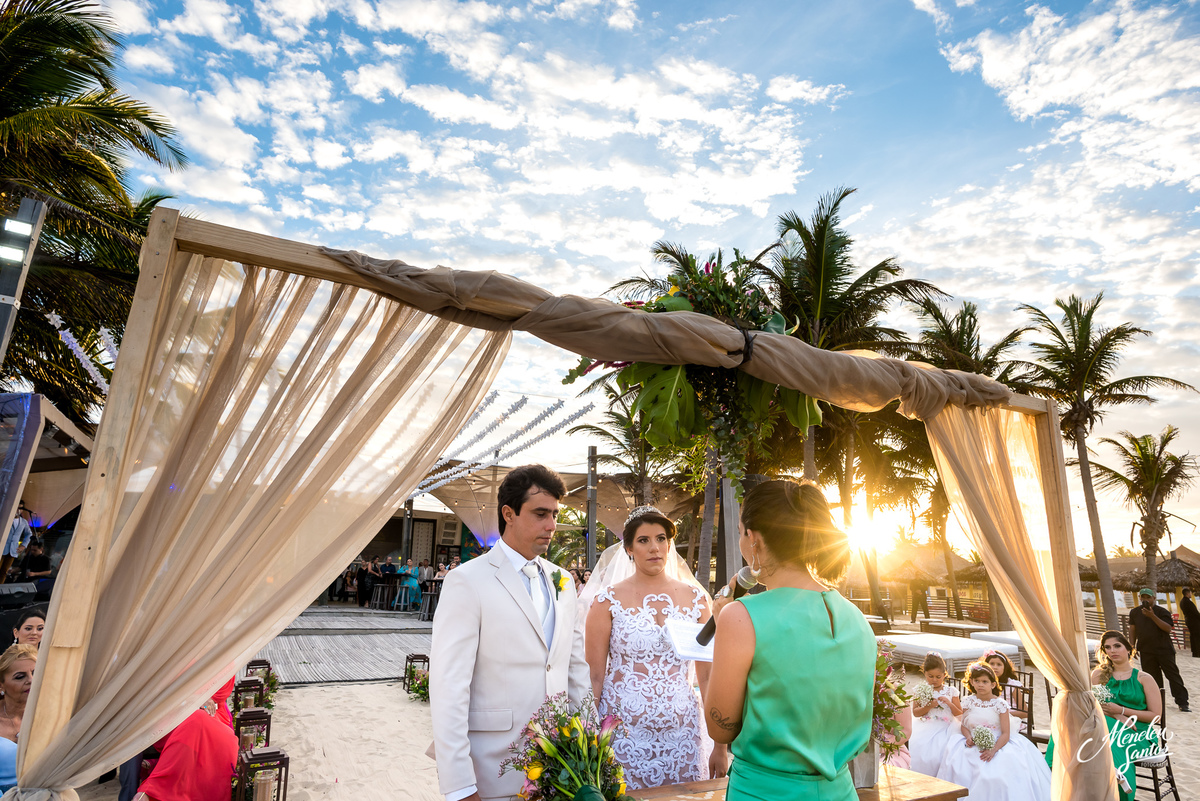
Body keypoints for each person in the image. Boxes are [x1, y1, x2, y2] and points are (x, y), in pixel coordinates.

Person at [704, 479, 874, 801]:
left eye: (741, 533)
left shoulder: (740, 617)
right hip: (839, 790)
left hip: (763, 792)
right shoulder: (856, 618)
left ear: (754, 539)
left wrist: (723, 620)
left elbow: (720, 728)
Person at [429, 464, 589, 801]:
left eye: (555, 514)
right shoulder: (467, 581)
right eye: (540, 514)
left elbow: (575, 670)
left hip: (562, 768)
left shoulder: (563, 582)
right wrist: (460, 786)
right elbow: (448, 687)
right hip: (493, 768)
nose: (551, 525)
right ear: (509, 514)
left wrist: (588, 752)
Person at [585, 506, 728, 789]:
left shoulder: (697, 599)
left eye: (661, 538)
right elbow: (594, 677)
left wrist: (720, 745)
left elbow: (708, 676)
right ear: (629, 548)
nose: (655, 548)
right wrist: (589, 738)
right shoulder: (606, 601)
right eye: (644, 540)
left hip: (683, 734)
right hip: (623, 734)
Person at [1045, 630, 1161, 800]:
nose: (1112, 650)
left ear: (1128, 649)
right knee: (1073, 723)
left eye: (1117, 646)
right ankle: (1052, 773)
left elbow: (1156, 716)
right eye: (1108, 647)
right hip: (1106, 724)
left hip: (1138, 732)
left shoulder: (1144, 678)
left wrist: (1121, 711)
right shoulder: (1098, 675)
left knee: (1106, 734)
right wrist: (1117, 716)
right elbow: (1092, 706)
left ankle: (1119, 790)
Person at [936, 662, 1050, 800]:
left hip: (998, 742)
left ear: (993, 684)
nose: (980, 685)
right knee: (956, 761)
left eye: (985, 681)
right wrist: (968, 737)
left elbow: (1006, 733)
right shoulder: (968, 701)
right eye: (977, 681)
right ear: (972, 682)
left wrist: (993, 750)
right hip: (973, 740)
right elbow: (964, 725)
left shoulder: (1000, 704)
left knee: (996, 772)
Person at [132, 698, 238, 801]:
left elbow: (220, 695)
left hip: (207, 713)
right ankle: (153, 788)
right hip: (175, 713)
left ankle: (152, 788)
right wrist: (195, 700)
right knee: (196, 721)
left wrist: (203, 699)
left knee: (203, 724)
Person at [1127, 588, 1189, 711]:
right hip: (1146, 650)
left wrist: (1152, 616)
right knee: (1152, 679)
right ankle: (1157, 702)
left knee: (1173, 676)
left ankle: (1182, 703)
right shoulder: (1134, 612)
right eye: (1143, 597)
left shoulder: (1162, 611)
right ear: (1140, 598)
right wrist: (1132, 646)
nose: (1146, 600)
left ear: (1154, 598)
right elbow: (1132, 629)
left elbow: (1167, 628)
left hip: (1164, 650)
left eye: (1148, 597)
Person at [908, 651, 961, 777]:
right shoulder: (919, 690)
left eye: (938, 676)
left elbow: (960, 714)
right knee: (921, 749)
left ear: (944, 674)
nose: (934, 680)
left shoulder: (951, 691)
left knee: (943, 751)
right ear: (925, 674)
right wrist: (929, 706)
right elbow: (915, 712)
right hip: (926, 725)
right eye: (930, 676)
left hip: (947, 727)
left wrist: (949, 703)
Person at [982, 650, 1027, 732]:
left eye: (999, 664)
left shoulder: (1012, 685)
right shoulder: (981, 684)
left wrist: (1002, 714)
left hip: (1010, 720)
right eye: (992, 664)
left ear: (1004, 668)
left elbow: (1025, 712)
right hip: (987, 720)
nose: (995, 667)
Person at [0, 643, 35, 743]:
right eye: (20, 677)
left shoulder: (54, 716)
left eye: (36, 673)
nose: (31, 680)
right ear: (1, 685)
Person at [0, 506, 31, 584]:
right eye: (17, 507)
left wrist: (23, 545)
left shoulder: (23, 521)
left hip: (13, 549)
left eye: (20, 508)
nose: (18, 510)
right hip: (2, 546)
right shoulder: (5, 518)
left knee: (4, 571)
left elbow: (29, 534)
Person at [1181, 587, 1200, 658]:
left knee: (1193, 636)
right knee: (1197, 637)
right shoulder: (1188, 602)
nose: (1191, 594)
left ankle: (1195, 652)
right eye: (1190, 593)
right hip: (1194, 622)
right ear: (1187, 593)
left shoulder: (1182, 602)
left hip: (1188, 621)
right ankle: (1198, 652)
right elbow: (1195, 612)